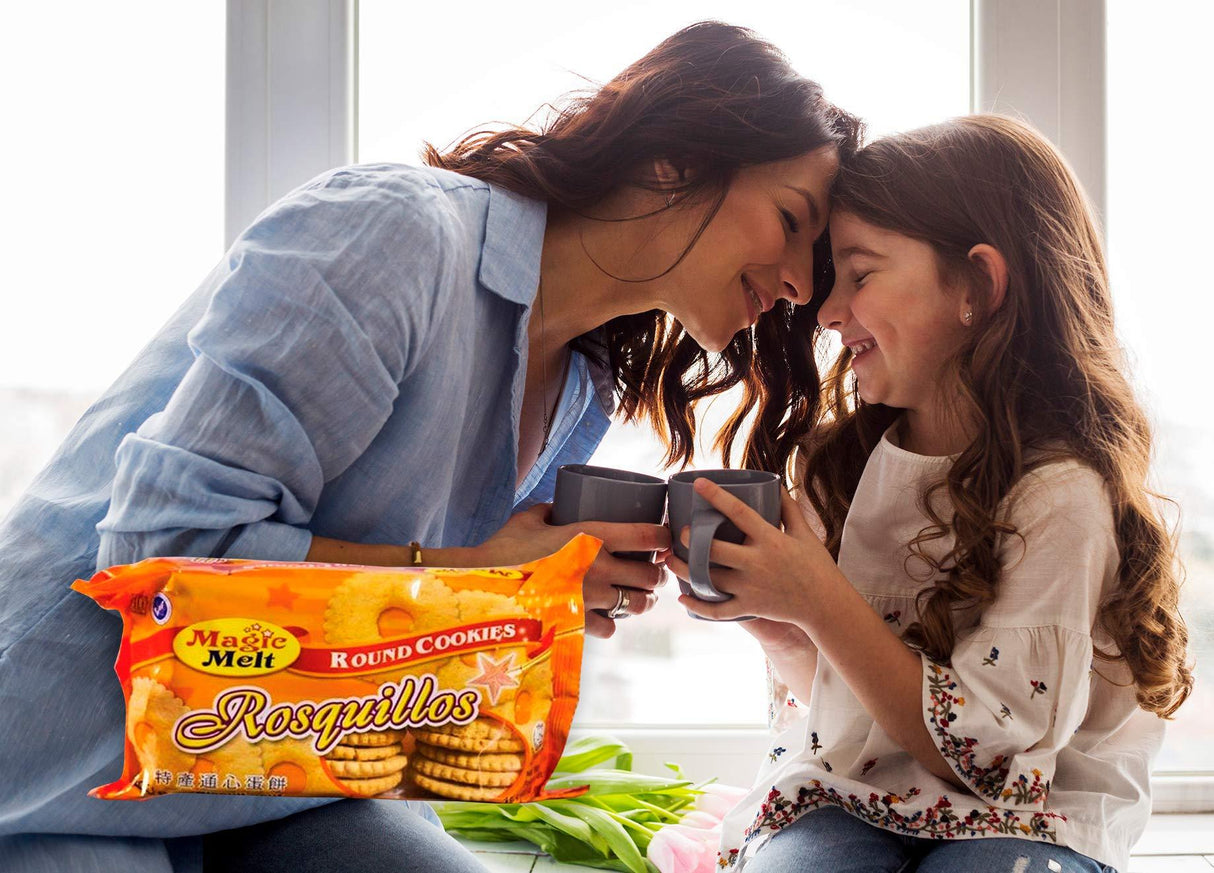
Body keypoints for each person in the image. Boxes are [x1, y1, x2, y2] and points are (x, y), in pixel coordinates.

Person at [0, 20, 861, 873]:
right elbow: (158, 553)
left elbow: (401, 625)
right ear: (675, 158)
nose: (794, 284)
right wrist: (482, 577)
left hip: (252, 770)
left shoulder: (580, 386)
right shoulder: (397, 237)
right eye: (789, 221)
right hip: (61, 766)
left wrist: (532, 601)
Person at [666, 115, 1193, 873]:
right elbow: (856, 703)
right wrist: (780, 624)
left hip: (1030, 817)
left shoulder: (1061, 496)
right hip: (857, 796)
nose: (826, 310)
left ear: (977, 283)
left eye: (862, 273)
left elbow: (995, 760)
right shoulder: (840, 466)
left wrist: (818, 597)